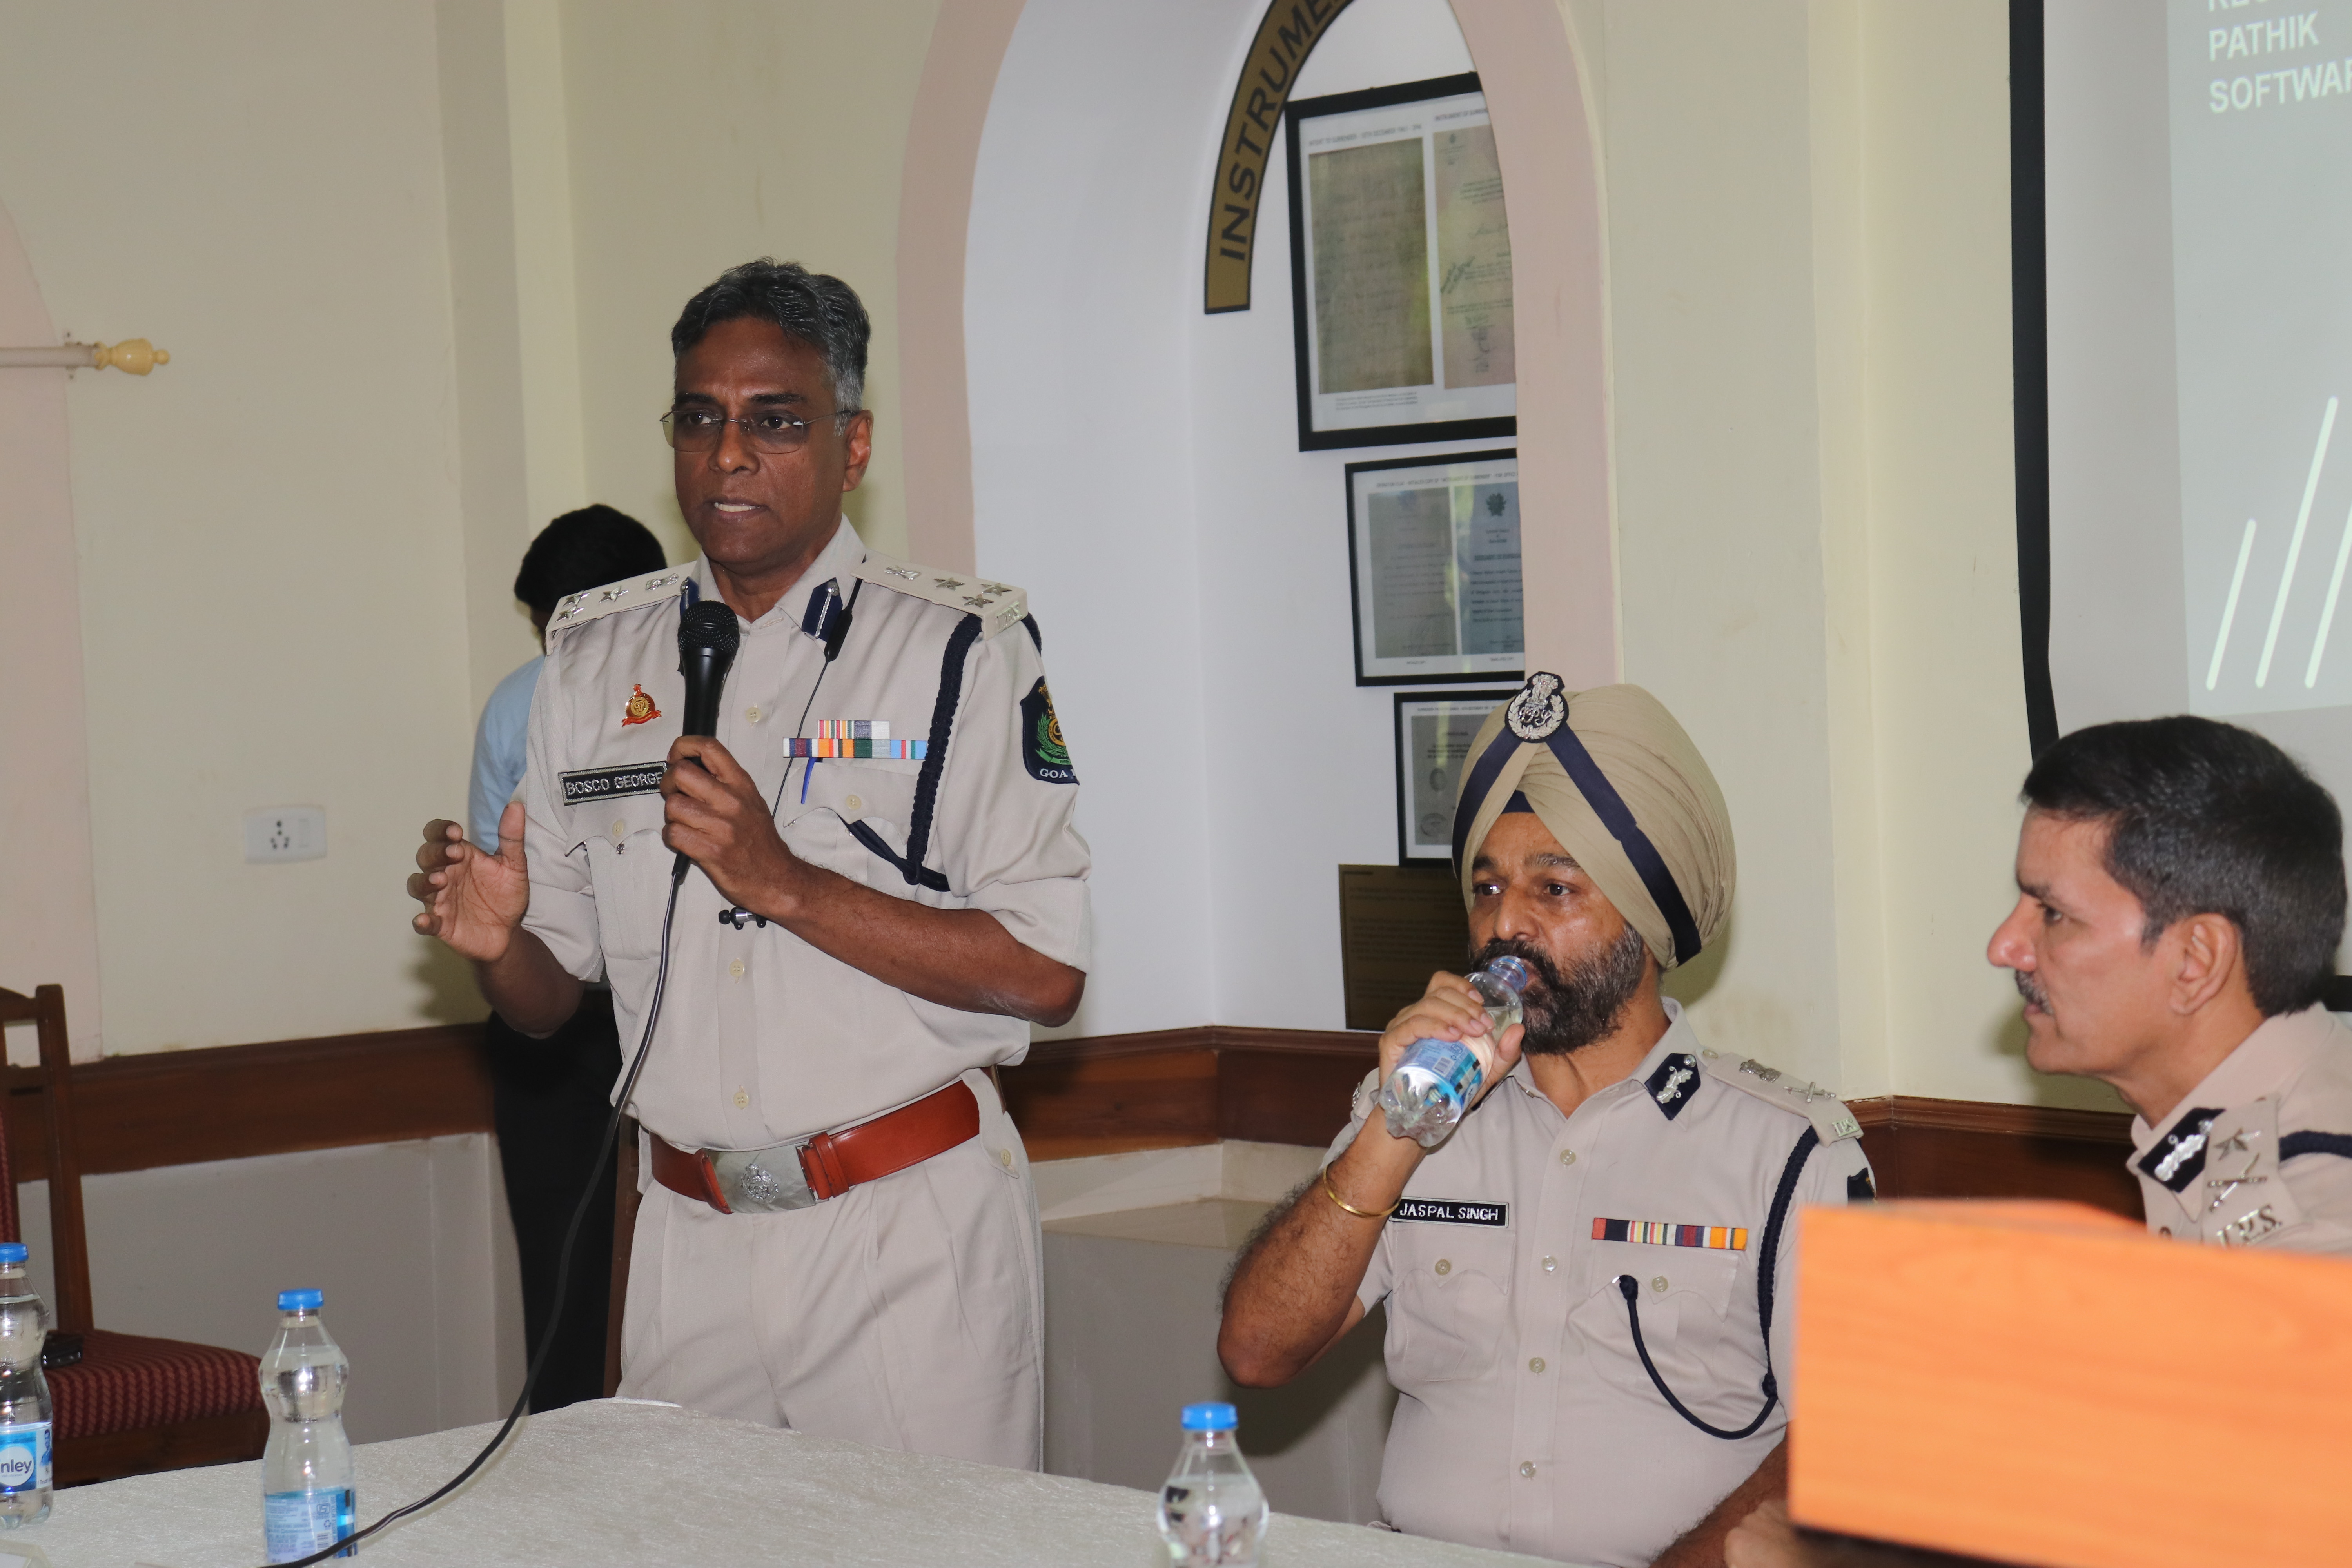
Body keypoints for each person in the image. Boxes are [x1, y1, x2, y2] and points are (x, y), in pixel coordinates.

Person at [407, 259, 1091, 1466]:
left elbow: (1045, 973)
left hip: (902, 1232)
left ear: (852, 444)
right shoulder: (592, 658)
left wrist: (785, 883)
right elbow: (548, 1001)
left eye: (775, 422)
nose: (728, 456)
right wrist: (499, 942)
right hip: (687, 1235)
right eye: (699, 419)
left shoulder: (957, 651)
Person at [1218, 674, 1873, 1568]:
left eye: (1554, 889)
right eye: (1486, 887)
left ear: (1647, 920)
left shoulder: (1790, 1154)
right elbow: (1257, 1351)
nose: (1505, 925)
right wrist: (1394, 1130)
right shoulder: (1417, 1115)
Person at [1985, 714, 2352, 1251]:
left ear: (2194, 962)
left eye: (2054, 913)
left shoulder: (2313, 1228)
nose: (2003, 948)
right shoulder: (2256, 1133)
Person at [469, 504, 666, 1411]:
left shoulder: (713, 685)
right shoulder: (523, 703)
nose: (557, 649)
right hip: (556, 1023)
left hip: (667, 1017)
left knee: (664, 1290)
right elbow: (497, 888)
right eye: (545, 629)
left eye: (565, 624)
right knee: (565, 1298)